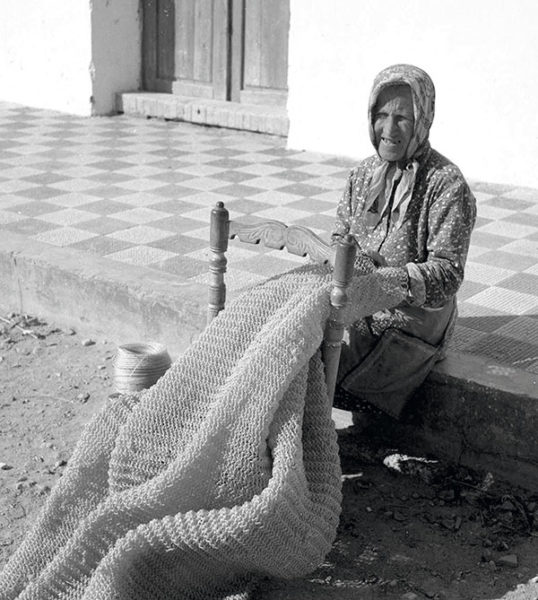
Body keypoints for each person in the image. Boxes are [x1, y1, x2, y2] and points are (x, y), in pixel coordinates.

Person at [332, 64, 476, 420]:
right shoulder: (363, 173)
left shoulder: (446, 184)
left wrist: (391, 279)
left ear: (423, 120)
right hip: (360, 297)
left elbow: (447, 274)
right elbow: (340, 236)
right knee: (295, 329)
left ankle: (318, 444)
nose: (389, 129)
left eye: (403, 118)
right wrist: (346, 259)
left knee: (329, 345)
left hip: (413, 312)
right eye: (381, 115)